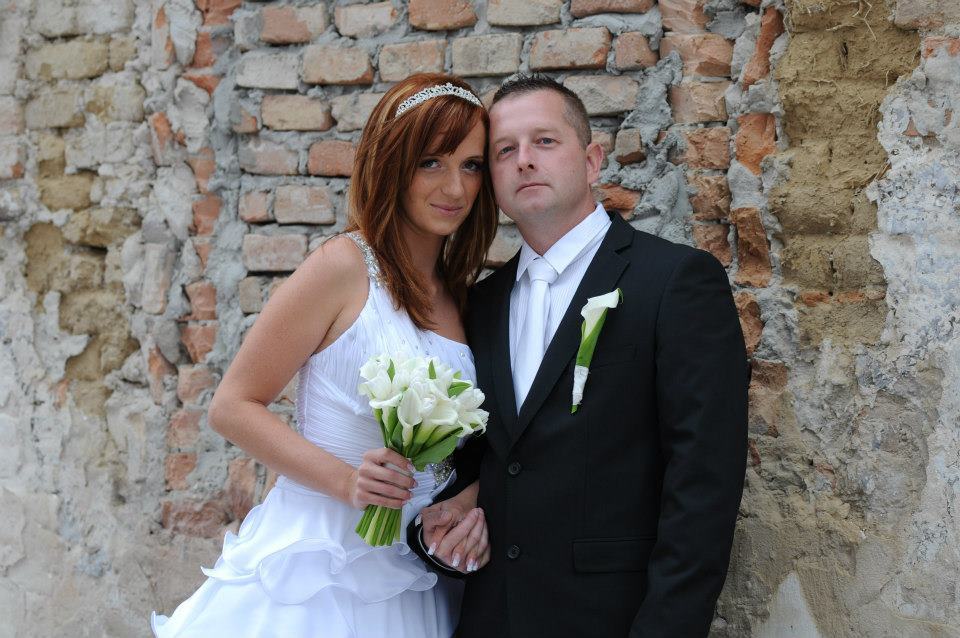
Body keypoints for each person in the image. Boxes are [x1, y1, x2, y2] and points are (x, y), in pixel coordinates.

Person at [151, 73, 498, 637]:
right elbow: (233, 406)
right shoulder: (342, 267)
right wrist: (346, 482)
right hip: (319, 564)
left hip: (414, 573)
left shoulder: (461, 297)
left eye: (472, 165)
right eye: (431, 162)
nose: (455, 188)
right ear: (393, 164)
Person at [412, 74, 750, 637]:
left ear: (592, 161)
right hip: (492, 617)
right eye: (504, 150)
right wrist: (442, 526)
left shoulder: (673, 282)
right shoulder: (481, 305)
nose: (524, 160)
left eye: (544, 141)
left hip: (612, 619)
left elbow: (704, 482)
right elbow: (484, 465)